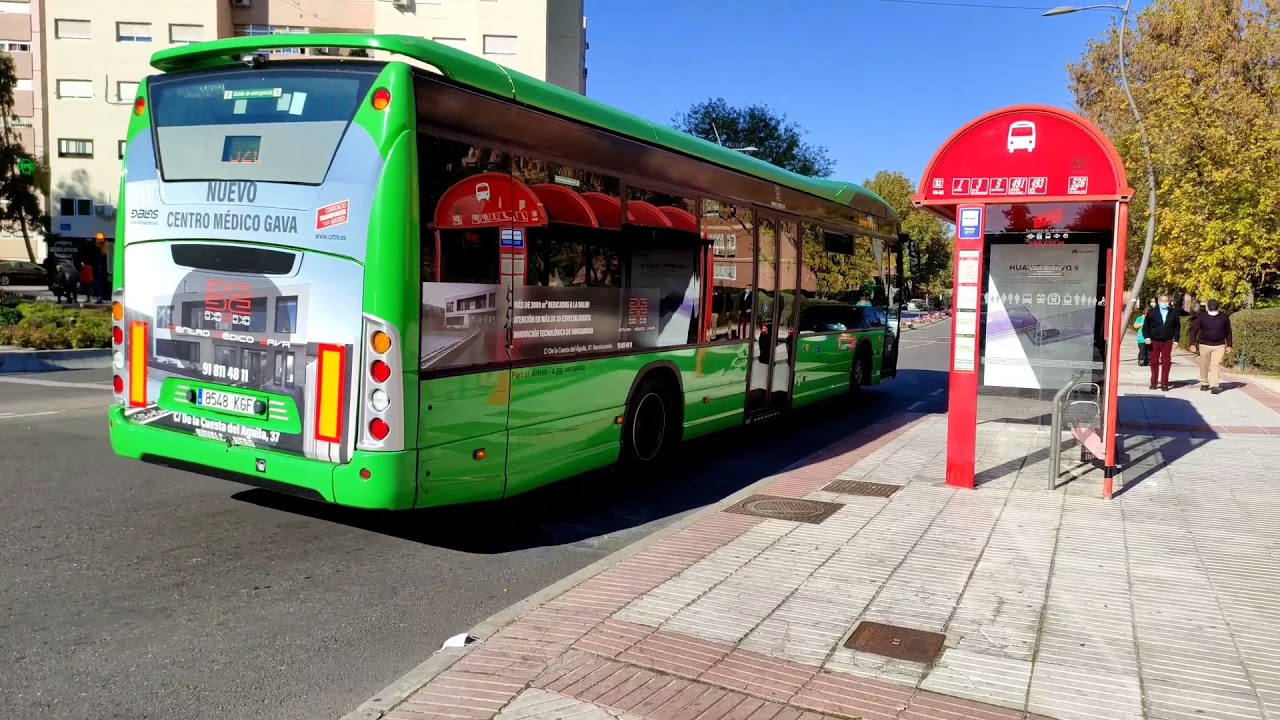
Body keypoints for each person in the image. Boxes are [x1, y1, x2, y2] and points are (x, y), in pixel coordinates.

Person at [1188, 299, 1233, 394]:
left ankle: (1214, 385)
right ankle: (1204, 382)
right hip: (1204, 344)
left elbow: (1228, 332)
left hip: (1219, 345)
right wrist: (1192, 343)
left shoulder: (1224, 317)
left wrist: (1229, 345)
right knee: (1204, 364)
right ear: (1208, 308)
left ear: (1218, 308)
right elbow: (1194, 330)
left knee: (1215, 364)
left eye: (1215, 310)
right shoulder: (1202, 316)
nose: (1213, 312)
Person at [1142, 294, 1181, 391]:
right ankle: (1154, 383)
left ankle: (1164, 383)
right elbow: (1145, 327)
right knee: (1154, 362)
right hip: (1153, 340)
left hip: (1167, 340)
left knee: (1166, 362)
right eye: (1162, 301)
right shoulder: (1152, 312)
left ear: (1169, 302)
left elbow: (1177, 327)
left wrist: (1176, 340)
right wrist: (1147, 337)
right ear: (1159, 302)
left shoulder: (1173, 313)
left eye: (1166, 301)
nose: (1164, 303)